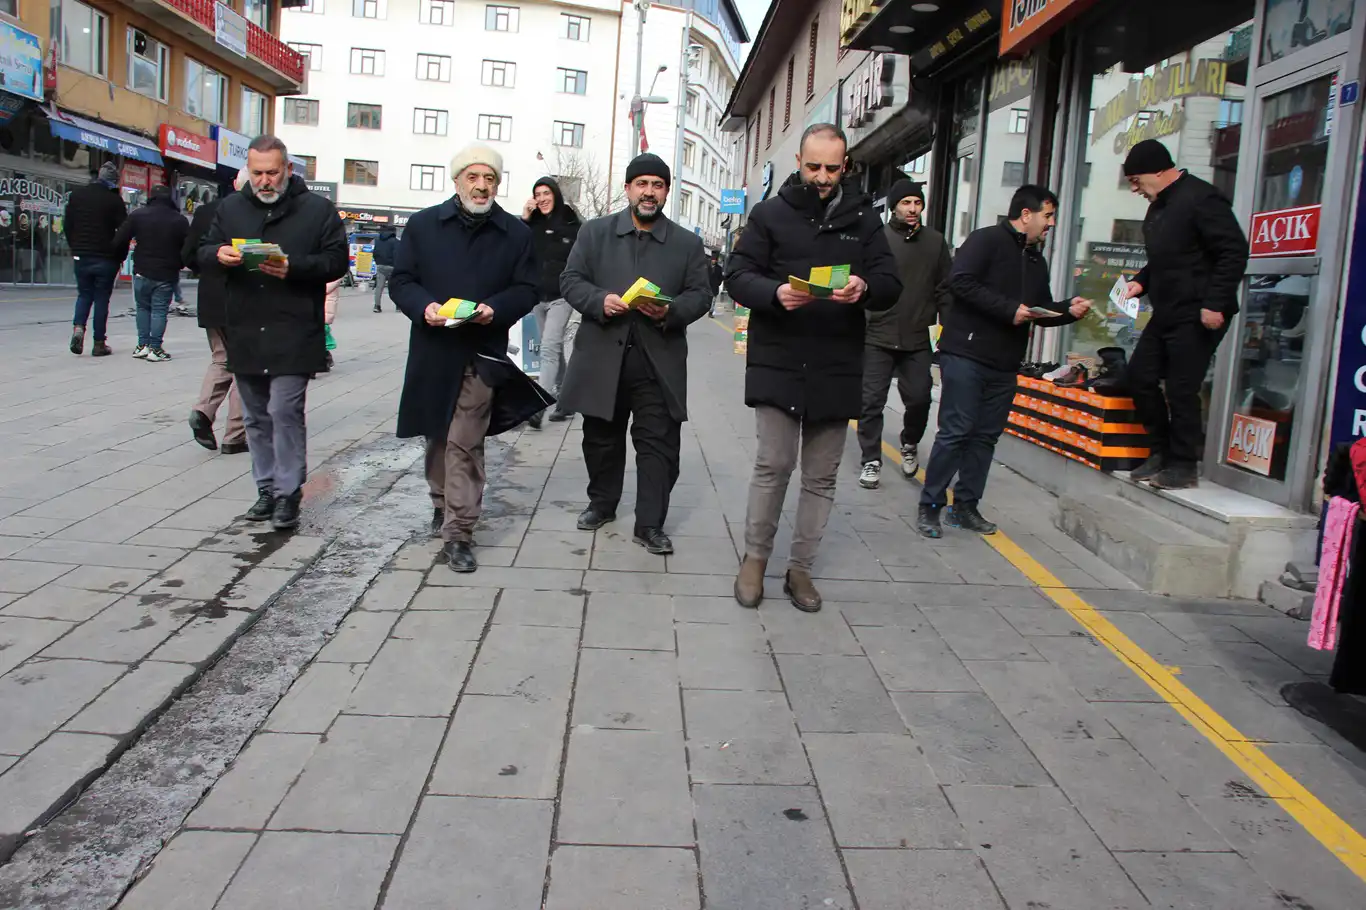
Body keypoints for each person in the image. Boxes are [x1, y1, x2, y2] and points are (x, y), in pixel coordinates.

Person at [726, 124, 902, 612]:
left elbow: (891, 282)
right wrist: (775, 294)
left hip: (837, 361)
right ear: (799, 163)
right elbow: (737, 275)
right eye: (813, 166)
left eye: (832, 167)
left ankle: (800, 569)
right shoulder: (769, 215)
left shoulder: (865, 221)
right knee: (774, 463)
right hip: (778, 358)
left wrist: (865, 287)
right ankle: (755, 560)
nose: (822, 177)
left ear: (845, 166)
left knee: (821, 476)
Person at [391, 144, 548, 572]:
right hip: (433, 348)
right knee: (437, 437)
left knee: (466, 439)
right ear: (457, 180)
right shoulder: (424, 226)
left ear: (498, 184)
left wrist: (494, 309)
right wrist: (424, 307)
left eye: (490, 179)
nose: (481, 187)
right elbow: (402, 280)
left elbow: (527, 288)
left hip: (483, 352)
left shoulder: (515, 233)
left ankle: (460, 531)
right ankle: (441, 503)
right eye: (473, 178)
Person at [917, 185, 1092, 539]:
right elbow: (959, 283)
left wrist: (1067, 311)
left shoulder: (1034, 259)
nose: (1052, 224)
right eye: (1048, 215)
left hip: (1005, 363)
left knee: (985, 437)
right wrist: (1007, 309)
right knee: (956, 432)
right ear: (1026, 215)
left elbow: (1038, 310)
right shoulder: (986, 241)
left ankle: (965, 507)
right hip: (966, 354)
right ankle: (930, 506)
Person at [559, 152, 713, 556]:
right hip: (602, 355)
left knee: (659, 444)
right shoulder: (594, 233)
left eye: (658, 185)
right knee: (601, 438)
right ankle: (602, 504)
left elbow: (701, 294)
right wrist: (599, 300)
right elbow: (570, 280)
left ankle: (650, 524)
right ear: (628, 189)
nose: (649, 192)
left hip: (657, 359)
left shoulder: (686, 243)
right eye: (642, 184)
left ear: (666, 192)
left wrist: (671, 310)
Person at [200, 135, 349, 532]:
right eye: (257, 173)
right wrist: (218, 255)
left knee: (284, 410)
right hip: (246, 326)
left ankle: (288, 493)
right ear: (247, 171)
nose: (265, 181)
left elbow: (337, 260)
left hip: (294, 327)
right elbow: (200, 250)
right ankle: (265, 489)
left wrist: (294, 267)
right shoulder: (231, 208)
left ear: (287, 170)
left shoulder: (316, 210)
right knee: (254, 416)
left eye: (272, 172)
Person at [1119, 139, 1250, 490]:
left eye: (1136, 180)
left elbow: (1233, 251)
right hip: (1167, 310)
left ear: (1159, 170)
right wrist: (1140, 283)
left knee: (1181, 387)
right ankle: (1160, 450)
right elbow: (1166, 257)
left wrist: (1216, 302)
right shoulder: (1159, 205)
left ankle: (1183, 464)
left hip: (1199, 311)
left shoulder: (1201, 198)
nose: (1135, 188)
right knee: (1140, 376)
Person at [857, 179, 952, 489]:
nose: (912, 209)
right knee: (870, 401)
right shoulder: (877, 239)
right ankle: (871, 458)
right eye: (906, 203)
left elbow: (945, 289)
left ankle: (909, 442)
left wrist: (946, 326)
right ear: (894, 206)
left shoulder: (935, 243)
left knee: (921, 397)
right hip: (878, 333)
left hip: (917, 336)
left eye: (917, 203)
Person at [183, 172, 247, 454]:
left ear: (234, 184)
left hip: (210, 297)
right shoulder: (259, 214)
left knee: (222, 359)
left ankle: (203, 411)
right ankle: (235, 436)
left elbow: (187, 255)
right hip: (246, 299)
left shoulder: (206, 211)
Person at [523, 177, 583, 425]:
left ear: (555, 195)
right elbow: (516, 247)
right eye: (537, 194)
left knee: (549, 347)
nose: (542, 198)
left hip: (562, 296)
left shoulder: (571, 222)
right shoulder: (532, 225)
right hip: (539, 297)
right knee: (554, 350)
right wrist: (525, 218)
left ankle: (539, 404)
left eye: (546, 193)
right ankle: (569, 402)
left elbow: (583, 257)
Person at [113, 184, 189, 363]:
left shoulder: (138, 215)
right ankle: (155, 348)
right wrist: (180, 263)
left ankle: (142, 346)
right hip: (166, 272)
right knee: (159, 311)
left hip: (141, 270)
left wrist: (120, 257)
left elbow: (120, 238)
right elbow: (188, 247)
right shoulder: (179, 220)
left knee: (142, 307)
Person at [64, 161, 128, 357]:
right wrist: (120, 255)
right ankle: (99, 343)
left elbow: (68, 225)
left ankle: (78, 328)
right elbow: (124, 231)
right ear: (112, 182)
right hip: (106, 258)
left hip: (82, 255)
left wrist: (75, 246)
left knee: (84, 294)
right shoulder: (114, 201)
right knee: (101, 299)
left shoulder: (77, 196)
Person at [371, 228, 398, 313]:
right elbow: (398, 254)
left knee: (379, 287)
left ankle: (377, 306)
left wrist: (378, 262)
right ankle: (398, 306)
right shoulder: (396, 241)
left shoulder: (378, 241)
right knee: (395, 287)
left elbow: (374, 253)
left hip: (381, 266)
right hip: (392, 267)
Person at [708, 251, 724, 316]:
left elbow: (721, 277)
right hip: (707, 286)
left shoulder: (719, 268)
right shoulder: (707, 267)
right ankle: (707, 309)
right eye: (712, 260)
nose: (713, 261)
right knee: (708, 300)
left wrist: (718, 283)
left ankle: (711, 312)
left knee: (713, 300)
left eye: (714, 260)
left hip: (715, 286)